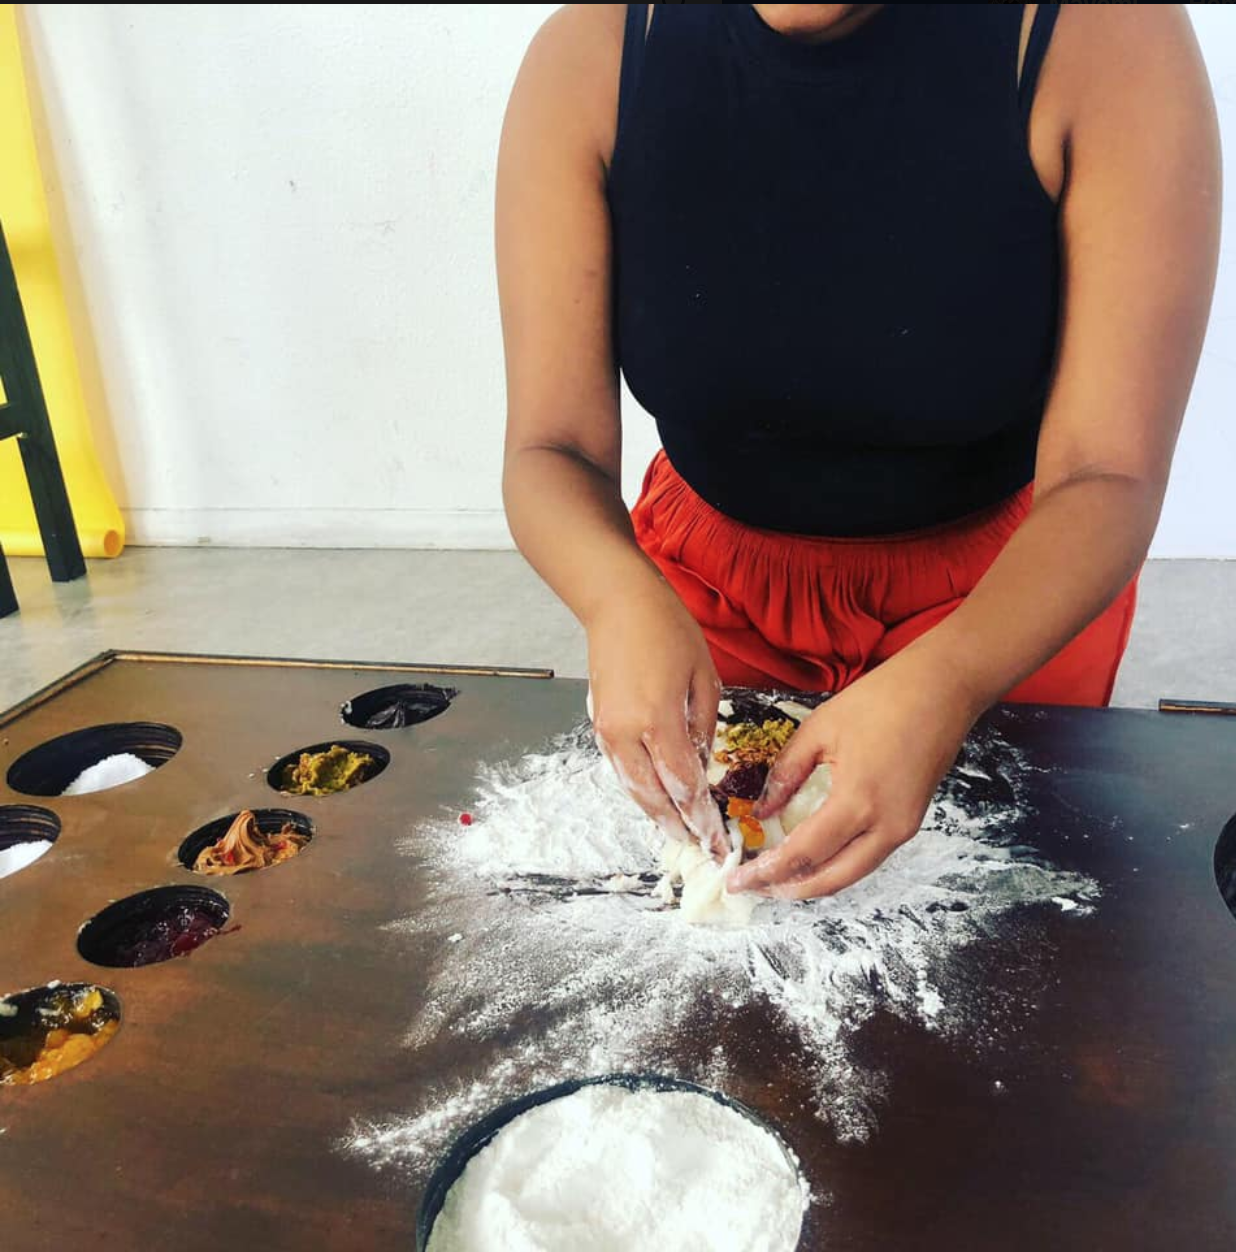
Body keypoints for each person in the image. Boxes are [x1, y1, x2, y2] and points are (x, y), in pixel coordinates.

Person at [496, 4, 1221, 900]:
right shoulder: (592, 54)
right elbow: (552, 447)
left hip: (1008, 600)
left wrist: (952, 680)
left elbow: (1108, 473)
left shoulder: (1105, 37)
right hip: (702, 599)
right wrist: (616, 600)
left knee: (1012, 930)